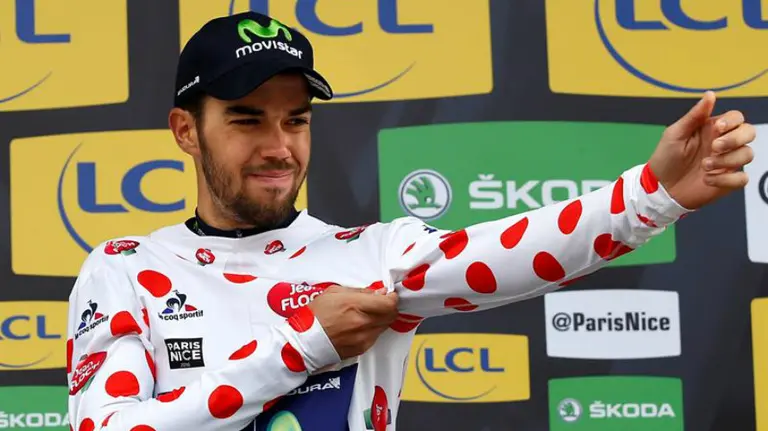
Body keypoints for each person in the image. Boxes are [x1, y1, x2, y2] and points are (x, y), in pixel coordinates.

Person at [65, 10, 755, 431]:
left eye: (296, 120)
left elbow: (515, 252)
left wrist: (651, 195)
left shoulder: (374, 255)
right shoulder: (127, 268)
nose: (279, 147)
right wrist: (300, 348)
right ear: (186, 130)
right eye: (247, 120)